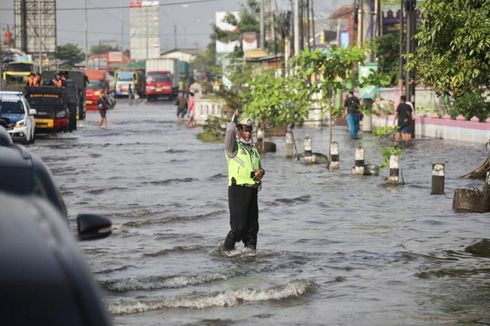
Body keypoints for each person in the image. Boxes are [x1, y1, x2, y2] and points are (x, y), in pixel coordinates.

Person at [223, 109, 265, 251]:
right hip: (238, 190)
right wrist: (235, 117)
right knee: (238, 229)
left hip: (252, 191)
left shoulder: (254, 150)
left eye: (249, 131)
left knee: (252, 230)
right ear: (239, 131)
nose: (247, 133)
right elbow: (229, 131)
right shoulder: (233, 148)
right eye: (244, 130)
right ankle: (225, 253)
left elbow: (259, 168)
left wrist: (261, 172)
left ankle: (250, 257)